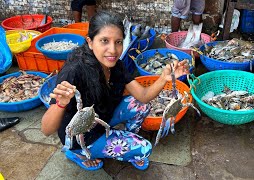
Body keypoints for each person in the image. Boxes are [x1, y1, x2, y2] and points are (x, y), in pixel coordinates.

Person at [41, 11, 190, 171]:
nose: (112, 50)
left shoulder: (117, 65)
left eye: (118, 42)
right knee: (145, 149)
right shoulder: (74, 72)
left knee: (141, 105)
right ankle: (78, 152)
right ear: (90, 42)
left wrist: (163, 78)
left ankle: (120, 138)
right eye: (104, 41)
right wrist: (61, 104)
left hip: (102, 119)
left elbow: (144, 96)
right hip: (81, 135)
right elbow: (46, 129)